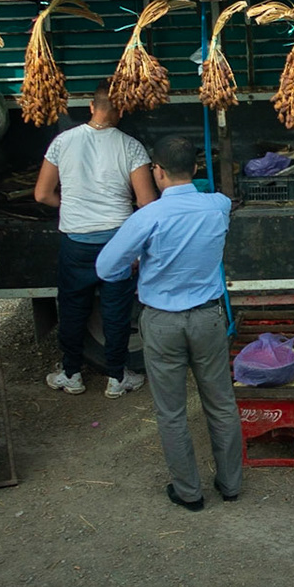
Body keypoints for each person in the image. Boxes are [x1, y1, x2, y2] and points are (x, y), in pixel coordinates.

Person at [95, 135, 241, 511]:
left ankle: (189, 492)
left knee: (172, 411)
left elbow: (106, 268)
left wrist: (139, 262)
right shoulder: (218, 206)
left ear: (156, 172)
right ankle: (230, 484)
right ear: (195, 169)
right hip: (208, 318)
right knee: (221, 404)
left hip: (162, 323)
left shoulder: (147, 217)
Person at [35, 83, 156, 397]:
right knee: (116, 310)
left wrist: (71, 205)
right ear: (122, 111)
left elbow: (42, 194)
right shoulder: (131, 146)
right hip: (117, 242)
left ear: (91, 105)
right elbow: (146, 202)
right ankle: (117, 378)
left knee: (73, 308)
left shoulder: (63, 141)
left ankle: (71, 373)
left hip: (76, 242)